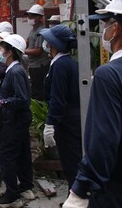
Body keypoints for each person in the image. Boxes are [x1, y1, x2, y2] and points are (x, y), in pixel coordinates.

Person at [64, 0, 122, 208]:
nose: (104, 31)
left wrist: (81, 189)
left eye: (106, 23)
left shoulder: (109, 74)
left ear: (116, 28)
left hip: (115, 188)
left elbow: (104, 141)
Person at [0, 34, 34, 207]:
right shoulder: (14, 70)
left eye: (2, 48)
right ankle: (24, 185)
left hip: (15, 121)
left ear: (10, 52)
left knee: (7, 156)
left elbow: (22, 100)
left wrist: (2, 102)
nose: (0, 51)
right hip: (17, 120)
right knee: (22, 153)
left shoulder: (15, 72)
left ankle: (11, 192)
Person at [39, 25, 81, 190]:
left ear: (54, 44)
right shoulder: (70, 63)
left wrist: (50, 124)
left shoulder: (60, 65)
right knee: (74, 161)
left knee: (71, 164)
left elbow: (57, 98)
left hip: (66, 121)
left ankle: (77, 199)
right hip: (74, 118)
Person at [24, 4, 50, 101]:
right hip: (33, 65)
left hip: (39, 66)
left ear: (39, 17)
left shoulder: (41, 31)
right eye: (29, 16)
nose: (29, 18)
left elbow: (38, 50)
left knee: (38, 92)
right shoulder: (34, 30)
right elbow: (28, 41)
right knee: (35, 89)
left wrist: (23, 51)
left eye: (32, 16)